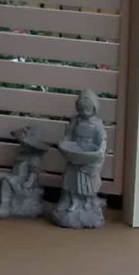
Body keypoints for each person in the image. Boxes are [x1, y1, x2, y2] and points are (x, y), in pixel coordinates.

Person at [51, 90, 107, 229]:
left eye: (88, 108)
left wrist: (100, 151)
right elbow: (68, 136)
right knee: (71, 179)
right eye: (82, 108)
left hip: (89, 156)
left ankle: (88, 202)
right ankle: (73, 201)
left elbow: (102, 140)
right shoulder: (75, 121)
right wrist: (64, 144)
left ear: (94, 108)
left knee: (88, 182)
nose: (85, 111)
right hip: (75, 152)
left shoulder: (97, 124)